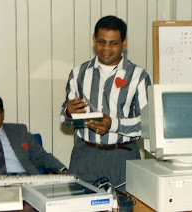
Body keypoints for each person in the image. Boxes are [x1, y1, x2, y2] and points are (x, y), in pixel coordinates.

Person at [61, 15, 152, 191]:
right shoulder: (78, 73)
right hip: (84, 156)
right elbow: (65, 117)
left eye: (114, 43)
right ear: (94, 39)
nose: (106, 49)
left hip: (123, 157)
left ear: (124, 42)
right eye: (102, 42)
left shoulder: (139, 76)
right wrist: (68, 113)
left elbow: (148, 124)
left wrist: (113, 124)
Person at [0, 94, 67, 180]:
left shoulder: (20, 131)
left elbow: (41, 156)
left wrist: (61, 169)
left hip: (26, 179)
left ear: (3, 113)